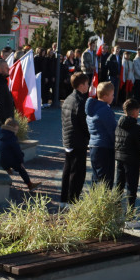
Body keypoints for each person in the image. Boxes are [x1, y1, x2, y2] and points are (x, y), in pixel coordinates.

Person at [61, 72, 91, 203]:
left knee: (68, 170)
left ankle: (64, 199)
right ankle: (72, 201)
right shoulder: (81, 101)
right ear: (81, 85)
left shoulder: (68, 98)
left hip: (68, 139)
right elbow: (84, 123)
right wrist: (90, 136)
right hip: (78, 141)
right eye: (87, 84)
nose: (88, 86)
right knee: (77, 173)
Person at [115, 98, 140, 215]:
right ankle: (130, 213)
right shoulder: (136, 128)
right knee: (132, 188)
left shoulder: (119, 125)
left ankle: (115, 210)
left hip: (120, 157)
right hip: (132, 160)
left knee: (119, 185)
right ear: (135, 111)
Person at [86, 81, 117, 187]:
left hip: (94, 146)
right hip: (105, 147)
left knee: (96, 178)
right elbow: (113, 131)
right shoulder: (105, 110)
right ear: (105, 96)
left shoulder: (92, 109)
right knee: (106, 180)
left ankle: (94, 197)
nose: (113, 97)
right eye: (112, 95)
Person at [0, 117, 37, 191]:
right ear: (13, 128)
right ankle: (30, 184)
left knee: (10, 161)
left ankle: (8, 172)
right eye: (17, 129)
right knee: (21, 168)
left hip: (0, 159)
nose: (17, 131)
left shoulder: (1, 134)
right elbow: (17, 151)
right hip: (8, 160)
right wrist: (21, 161)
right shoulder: (12, 137)